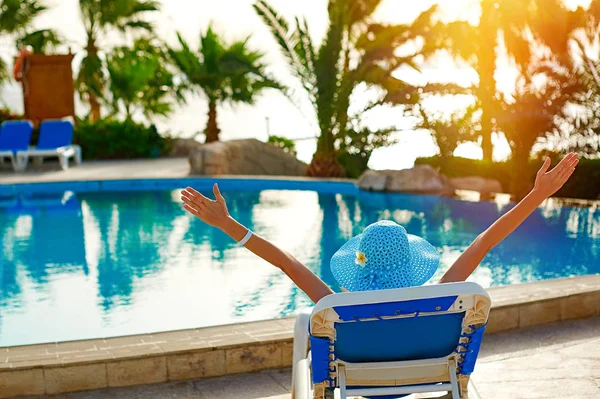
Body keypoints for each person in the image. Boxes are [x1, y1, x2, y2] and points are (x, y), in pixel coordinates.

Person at [181, 153, 579, 303]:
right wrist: (537, 195)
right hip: (425, 373)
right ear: (409, 262)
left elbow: (285, 262)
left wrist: (228, 223)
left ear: (361, 261)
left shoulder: (336, 304)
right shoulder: (437, 298)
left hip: (359, 378)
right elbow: (484, 242)